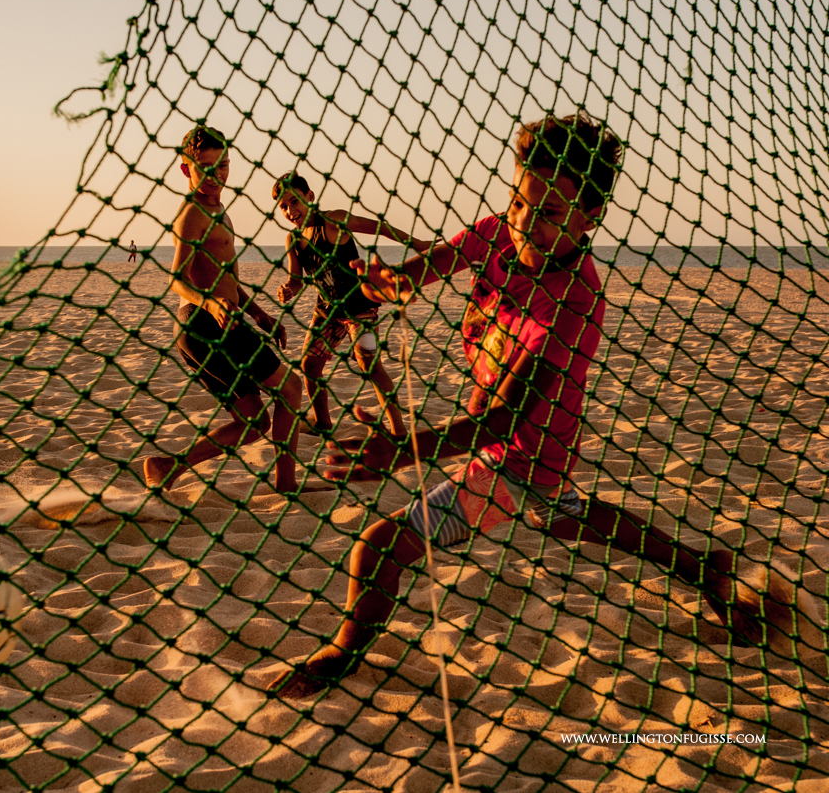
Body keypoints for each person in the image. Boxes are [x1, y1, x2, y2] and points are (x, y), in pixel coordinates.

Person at [269, 112, 793, 699]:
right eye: (519, 201)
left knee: (378, 548)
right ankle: (705, 569)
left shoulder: (573, 302)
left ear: (590, 216)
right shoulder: (498, 233)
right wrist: (385, 282)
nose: (523, 222)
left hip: (517, 460)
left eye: (547, 213)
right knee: (568, 516)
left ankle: (342, 653)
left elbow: (504, 418)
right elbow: (416, 274)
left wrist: (402, 450)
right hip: (522, 452)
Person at [143, 126, 303, 493]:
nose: (217, 175)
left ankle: (166, 466)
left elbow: (224, 275)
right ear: (186, 169)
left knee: (253, 423)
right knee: (291, 387)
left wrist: (257, 312)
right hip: (204, 324)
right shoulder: (192, 213)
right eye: (206, 167)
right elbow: (176, 279)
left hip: (212, 324)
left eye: (224, 164)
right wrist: (211, 302)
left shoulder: (218, 208)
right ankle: (287, 484)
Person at [273, 172, 433, 438]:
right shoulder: (293, 240)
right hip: (326, 310)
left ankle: (399, 430)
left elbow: (378, 227)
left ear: (310, 197)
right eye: (283, 207)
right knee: (309, 365)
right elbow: (296, 279)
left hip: (359, 307)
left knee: (370, 365)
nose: (290, 211)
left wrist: (417, 243)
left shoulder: (333, 221)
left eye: (295, 201)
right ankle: (323, 422)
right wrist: (288, 288)